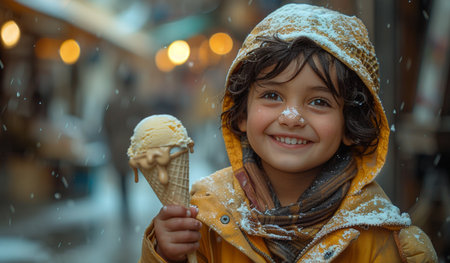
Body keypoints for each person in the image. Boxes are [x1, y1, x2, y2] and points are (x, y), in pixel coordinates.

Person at [139, 4, 438, 263]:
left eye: (319, 102)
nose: (291, 117)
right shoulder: (203, 219)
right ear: (241, 113)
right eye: (272, 96)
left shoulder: (385, 241)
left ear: (350, 124)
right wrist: (166, 255)